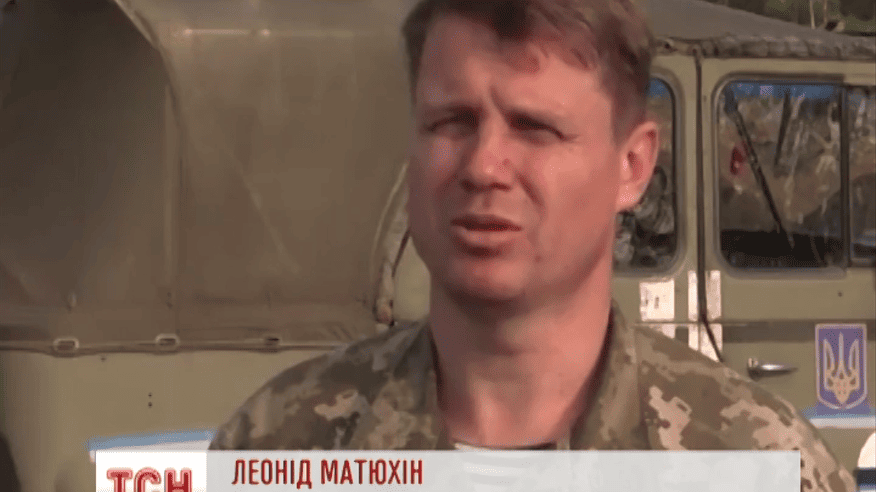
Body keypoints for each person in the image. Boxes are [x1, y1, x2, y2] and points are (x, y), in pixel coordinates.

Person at [210, 1, 854, 490]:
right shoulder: (280, 452)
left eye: (534, 128)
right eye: (451, 122)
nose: (483, 166)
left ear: (632, 166)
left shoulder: (757, 463)